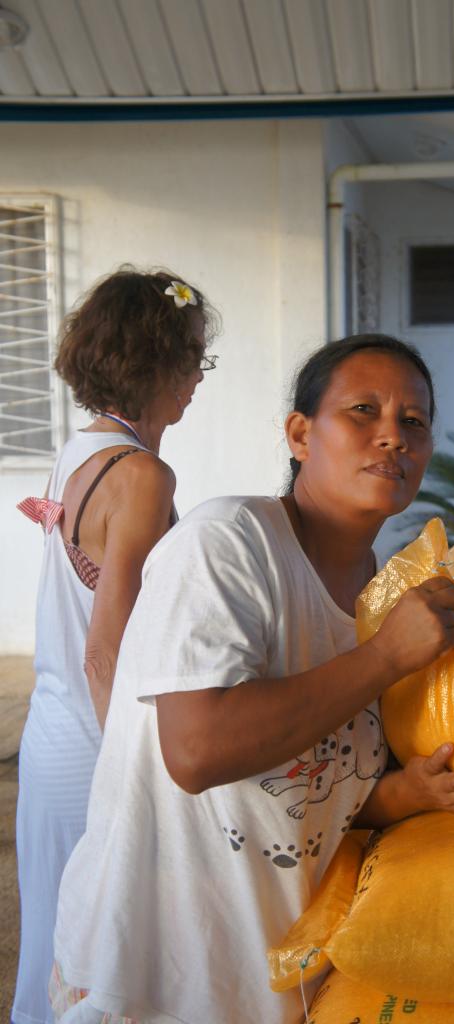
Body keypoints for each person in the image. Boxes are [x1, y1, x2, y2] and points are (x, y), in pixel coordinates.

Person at [50, 334, 454, 1024]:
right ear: (301, 434)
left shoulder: (384, 595)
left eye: (414, 422)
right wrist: (385, 658)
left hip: (268, 980)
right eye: (364, 411)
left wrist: (404, 794)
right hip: (152, 975)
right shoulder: (229, 542)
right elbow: (198, 750)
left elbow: (313, 791)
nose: (393, 436)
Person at [12, 268, 219, 1024]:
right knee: (103, 971)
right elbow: (108, 652)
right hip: (95, 750)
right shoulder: (143, 476)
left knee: (54, 957)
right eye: (191, 357)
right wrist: (146, 779)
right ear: (150, 363)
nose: (198, 377)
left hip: (51, 735)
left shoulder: (81, 451)